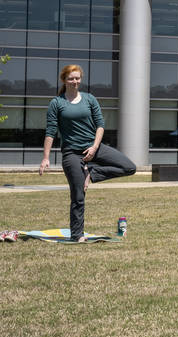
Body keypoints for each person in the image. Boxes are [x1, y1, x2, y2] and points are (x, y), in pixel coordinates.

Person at [39, 64, 137, 241]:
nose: (75, 81)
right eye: (71, 78)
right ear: (64, 80)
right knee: (78, 195)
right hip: (72, 154)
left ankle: (92, 172)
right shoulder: (57, 103)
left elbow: (100, 125)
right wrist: (45, 158)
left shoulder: (89, 99)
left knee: (129, 167)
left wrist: (94, 147)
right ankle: (77, 235)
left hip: (94, 147)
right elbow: (50, 131)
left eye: (77, 78)